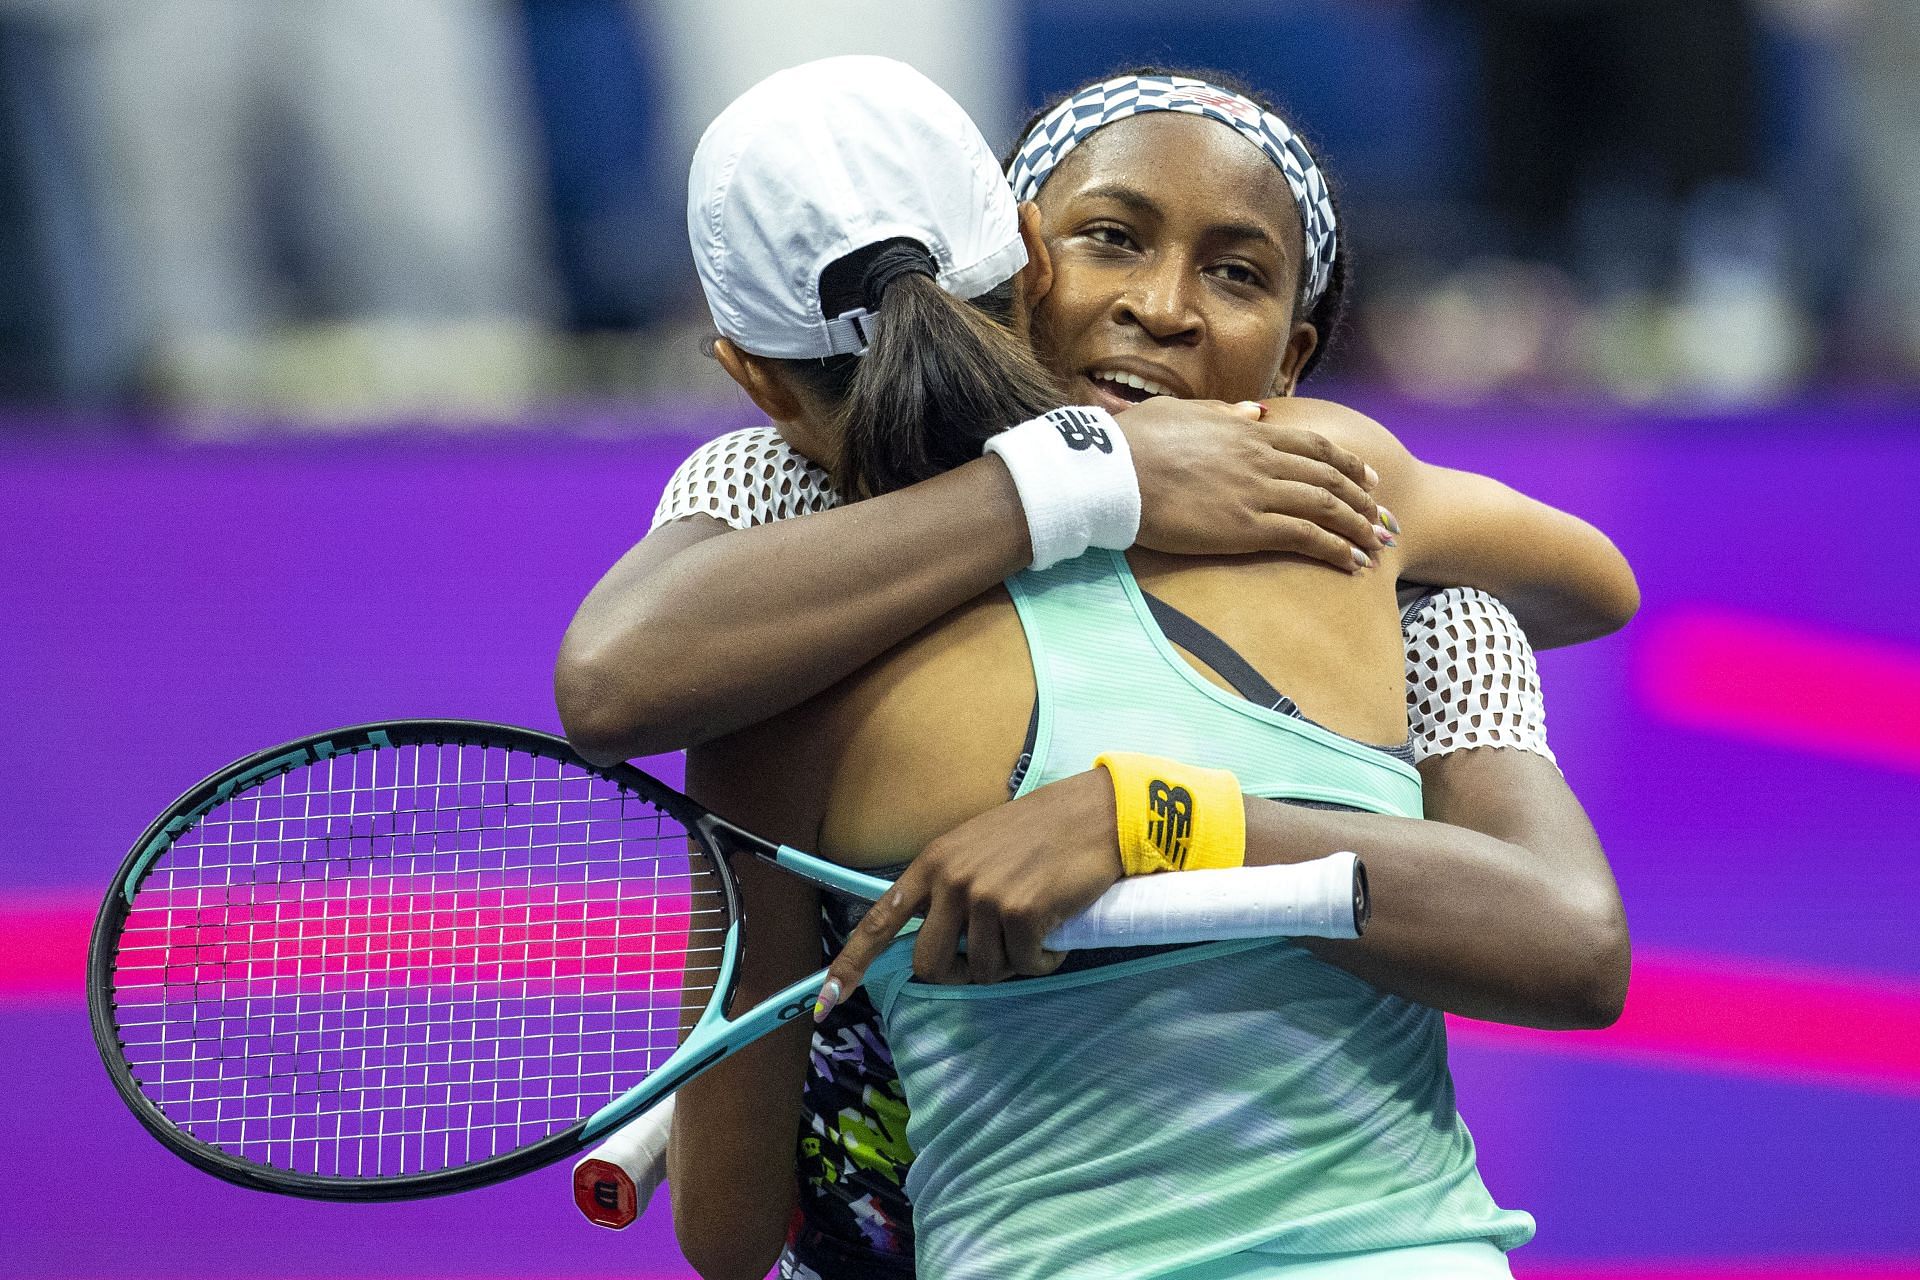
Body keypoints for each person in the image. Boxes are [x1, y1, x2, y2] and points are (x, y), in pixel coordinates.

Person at [559, 58, 1634, 1280]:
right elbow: (611, 678)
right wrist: (1100, 472)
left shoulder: (1365, 536)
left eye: (1234, 271)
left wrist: (1156, 811)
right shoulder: (765, 519)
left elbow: (725, 1226)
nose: (1164, 307)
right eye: (1113, 239)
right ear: (1023, 254)